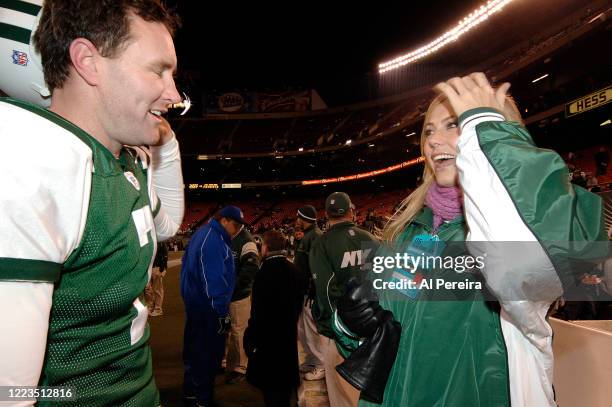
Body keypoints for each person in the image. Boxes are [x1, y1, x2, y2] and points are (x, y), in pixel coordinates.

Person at [333, 73, 606, 407]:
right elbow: (382, 341)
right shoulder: (407, 229)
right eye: (429, 131)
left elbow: (537, 259)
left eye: (453, 124)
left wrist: (488, 130)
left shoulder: (507, 233)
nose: (433, 141)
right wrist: (350, 323)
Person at [0, 1, 184, 405]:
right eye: (158, 70)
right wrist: (75, 395)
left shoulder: (120, 159)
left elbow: (167, 225)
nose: (175, 94)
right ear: (87, 60)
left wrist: (165, 144)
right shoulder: (30, 159)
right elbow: (10, 393)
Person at [309, 192, 378, 407]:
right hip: (372, 324)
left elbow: (325, 289)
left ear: (327, 215)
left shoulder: (322, 243)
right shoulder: (368, 237)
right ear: (351, 210)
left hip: (341, 328)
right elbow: (381, 281)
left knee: (342, 393)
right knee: (369, 390)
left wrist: (333, 327)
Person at [244, 230, 307, 407]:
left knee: (272, 393)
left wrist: (250, 337)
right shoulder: (294, 270)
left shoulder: (263, 274)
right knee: (285, 389)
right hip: (287, 336)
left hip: (268, 340)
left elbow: (257, 313)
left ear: (266, 247)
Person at [294, 205, 327, 381]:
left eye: (298, 216)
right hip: (303, 290)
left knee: (312, 329)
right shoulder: (307, 236)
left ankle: (321, 364)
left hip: (311, 291)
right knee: (302, 328)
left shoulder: (315, 236)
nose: (296, 219)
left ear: (303, 218)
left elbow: (317, 266)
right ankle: (312, 359)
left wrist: (314, 288)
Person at [225, 211, 259, 384]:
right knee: (226, 329)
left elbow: (250, 270)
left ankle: (241, 367)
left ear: (234, 223)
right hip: (226, 295)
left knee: (239, 331)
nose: (223, 225)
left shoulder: (246, 241)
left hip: (239, 295)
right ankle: (228, 363)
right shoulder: (230, 237)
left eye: (226, 221)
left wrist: (232, 287)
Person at [146, 241, 169, 316]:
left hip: (156, 267)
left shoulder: (161, 242)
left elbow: (165, 256)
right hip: (148, 267)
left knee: (157, 289)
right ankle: (150, 307)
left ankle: (158, 309)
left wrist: (163, 268)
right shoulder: (148, 240)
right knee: (147, 289)